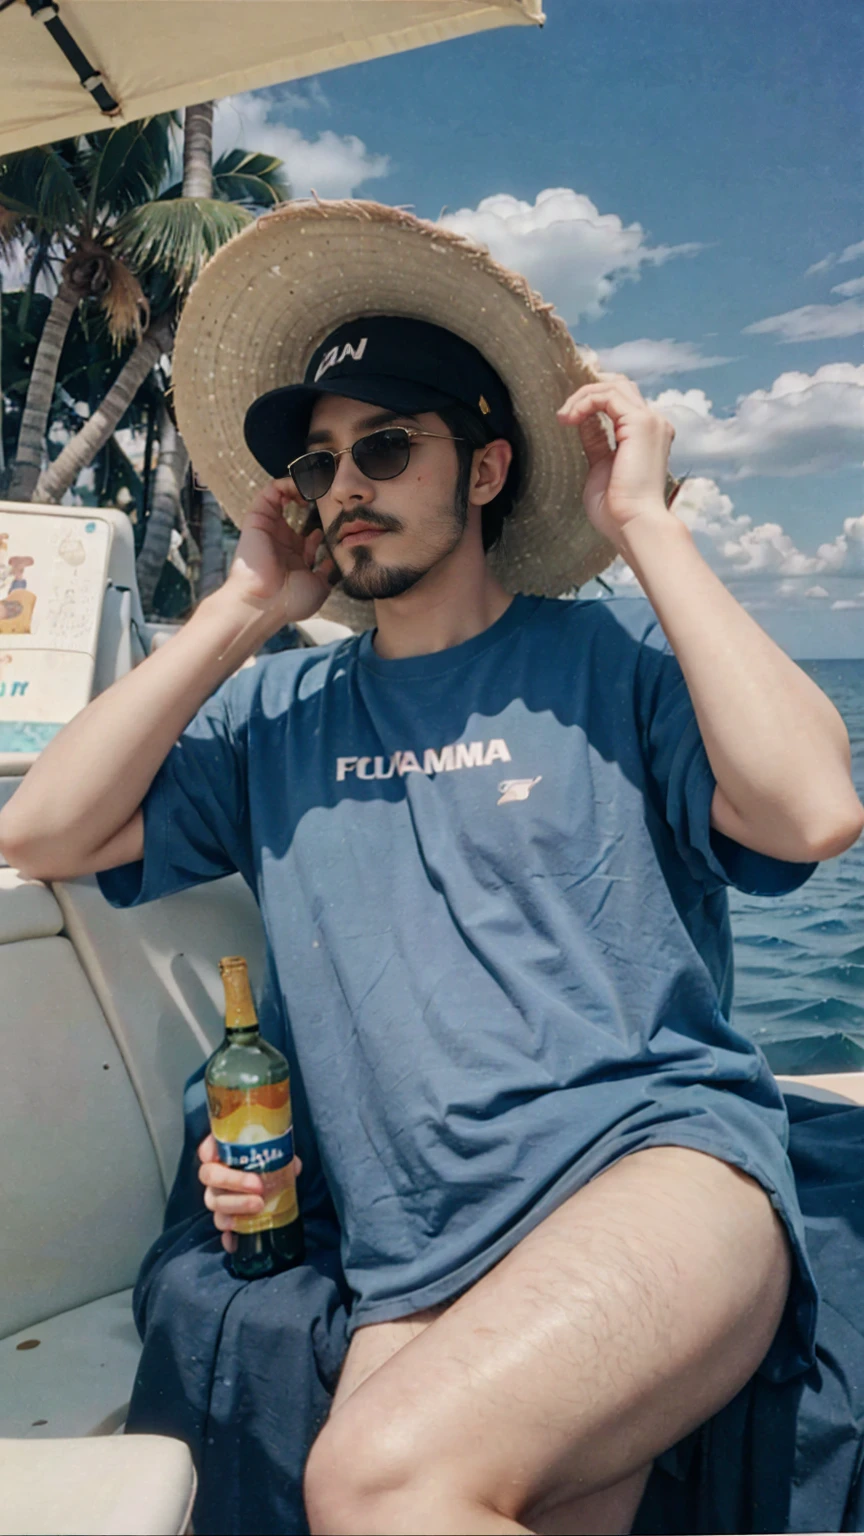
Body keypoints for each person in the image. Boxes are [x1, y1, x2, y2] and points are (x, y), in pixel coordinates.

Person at [2, 199, 862, 1536]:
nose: (344, 486)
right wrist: (242, 607)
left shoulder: (603, 675)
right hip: (420, 1246)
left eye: (385, 447)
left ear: (484, 467)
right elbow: (42, 831)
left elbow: (811, 809)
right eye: (320, 462)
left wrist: (646, 527)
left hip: (656, 1175)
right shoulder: (273, 716)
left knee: (373, 1480)